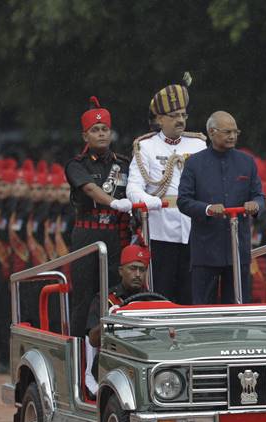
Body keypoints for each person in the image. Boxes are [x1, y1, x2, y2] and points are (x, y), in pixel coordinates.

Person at [126, 78, 207, 303]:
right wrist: (149, 201)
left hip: (194, 230)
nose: (180, 120)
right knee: (161, 294)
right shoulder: (146, 146)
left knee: (191, 295)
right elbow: (133, 188)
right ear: (160, 119)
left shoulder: (199, 145)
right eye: (174, 116)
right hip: (161, 230)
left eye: (183, 115)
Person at [177, 111, 265, 304]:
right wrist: (207, 209)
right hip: (206, 249)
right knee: (202, 308)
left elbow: (259, 196)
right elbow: (183, 201)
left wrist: (255, 205)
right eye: (227, 132)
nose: (232, 136)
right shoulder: (194, 163)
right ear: (211, 132)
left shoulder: (246, 162)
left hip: (238, 248)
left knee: (238, 307)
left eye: (235, 132)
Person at [65, 97, 132, 338]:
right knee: (83, 296)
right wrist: (113, 202)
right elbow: (90, 189)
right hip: (87, 235)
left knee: (116, 293)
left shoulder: (124, 164)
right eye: (95, 130)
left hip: (116, 234)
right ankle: (80, 358)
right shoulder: (76, 165)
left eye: (105, 129)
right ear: (85, 136)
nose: (101, 134)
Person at [83, 244, 149, 399]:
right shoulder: (106, 300)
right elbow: (92, 340)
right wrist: (111, 319)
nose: (138, 274)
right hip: (110, 367)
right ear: (121, 271)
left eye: (142, 269)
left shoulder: (152, 299)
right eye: (132, 269)